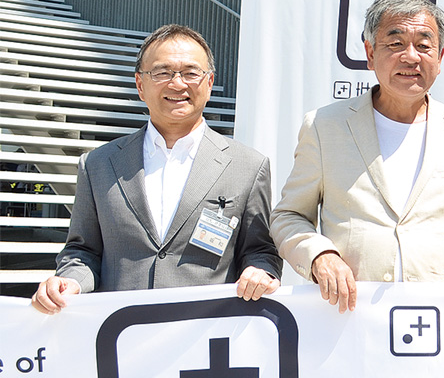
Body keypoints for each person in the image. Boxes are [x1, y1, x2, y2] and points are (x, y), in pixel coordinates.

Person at [271, 0, 444, 313]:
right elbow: (289, 216)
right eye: (395, 43)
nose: (411, 57)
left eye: (424, 45)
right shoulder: (325, 126)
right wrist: (320, 256)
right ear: (370, 53)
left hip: (434, 318)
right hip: (346, 315)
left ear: (440, 57)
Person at [32, 24, 281, 314]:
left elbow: (260, 251)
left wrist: (260, 271)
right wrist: (69, 281)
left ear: (209, 82)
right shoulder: (98, 164)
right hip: (120, 330)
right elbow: (83, 252)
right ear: (140, 85)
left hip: (206, 330)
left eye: (191, 73)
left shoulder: (248, 166)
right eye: (162, 73)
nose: (177, 84)